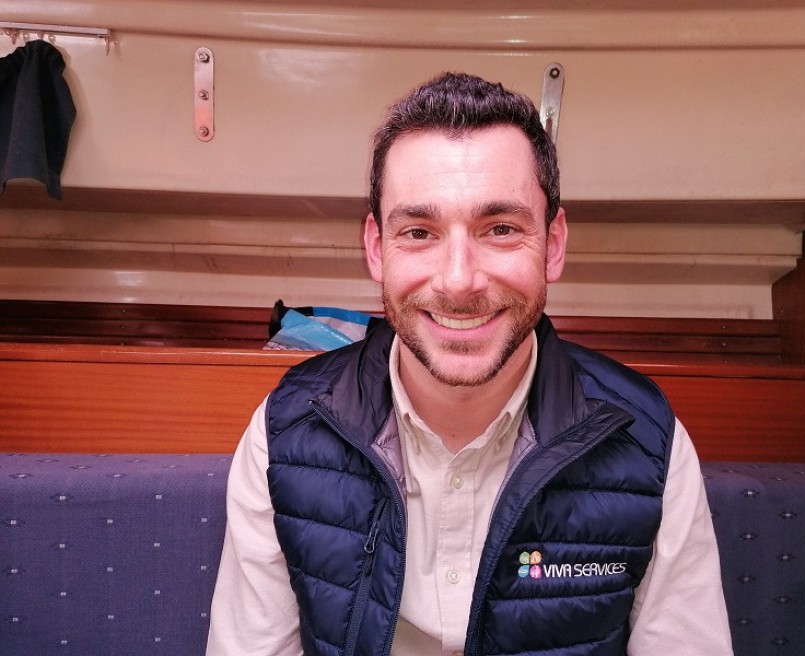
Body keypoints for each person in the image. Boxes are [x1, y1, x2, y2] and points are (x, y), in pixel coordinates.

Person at [206, 72, 734, 656]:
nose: (459, 281)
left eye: (500, 229)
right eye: (419, 232)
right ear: (377, 249)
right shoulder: (283, 432)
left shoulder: (650, 442)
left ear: (554, 244)